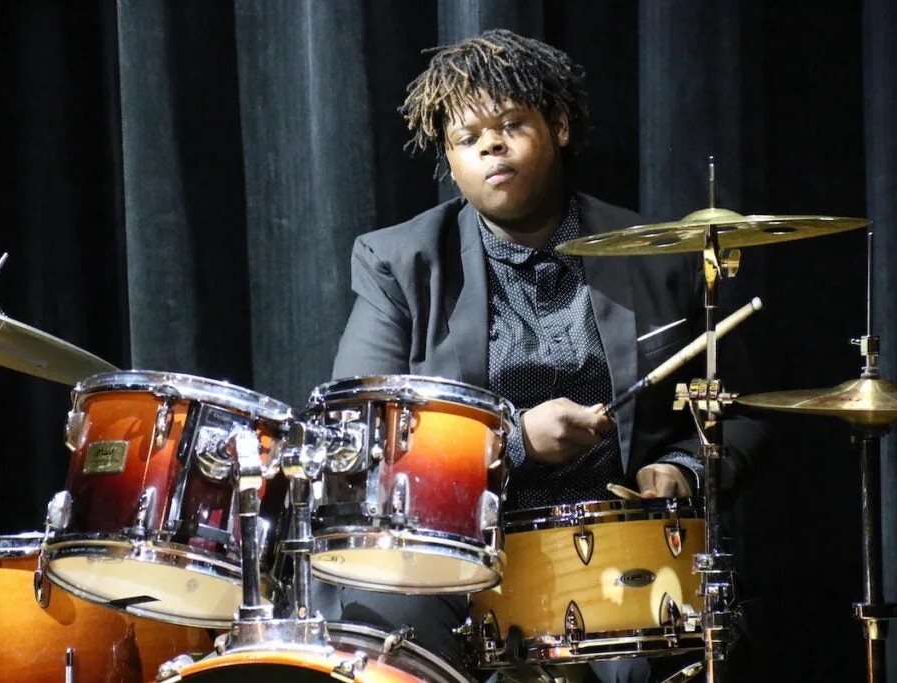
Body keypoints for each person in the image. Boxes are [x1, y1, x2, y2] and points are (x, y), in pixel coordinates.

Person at [312, 28, 768, 683]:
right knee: (379, 631)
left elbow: (746, 416)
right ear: (450, 156)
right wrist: (515, 440)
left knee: (653, 662)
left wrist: (683, 470)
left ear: (556, 124)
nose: (490, 145)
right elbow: (360, 445)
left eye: (509, 124)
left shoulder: (658, 256)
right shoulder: (399, 263)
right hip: (464, 567)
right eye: (468, 139)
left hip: (620, 559)